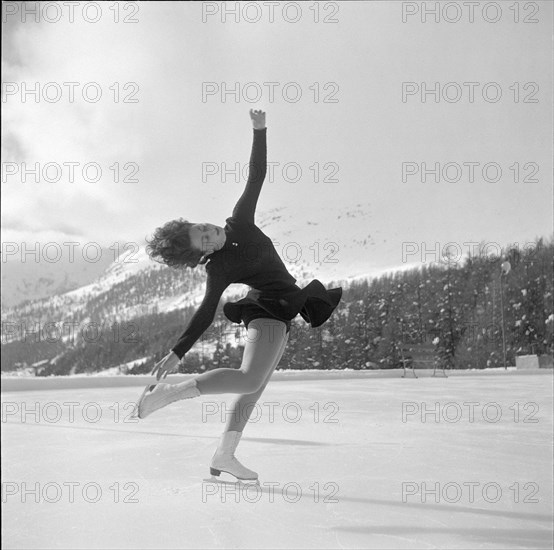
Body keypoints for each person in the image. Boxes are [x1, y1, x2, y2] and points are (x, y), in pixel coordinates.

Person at [135, 109, 342, 482]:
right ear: (201, 254)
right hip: (266, 312)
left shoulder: (238, 222)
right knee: (248, 380)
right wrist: (177, 352)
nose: (210, 232)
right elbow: (204, 312)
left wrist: (259, 130)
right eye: (204, 239)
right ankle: (169, 395)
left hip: (284, 311)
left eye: (203, 227)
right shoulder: (219, 269)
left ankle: (224, 455)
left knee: (254, 389)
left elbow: (256, 176)